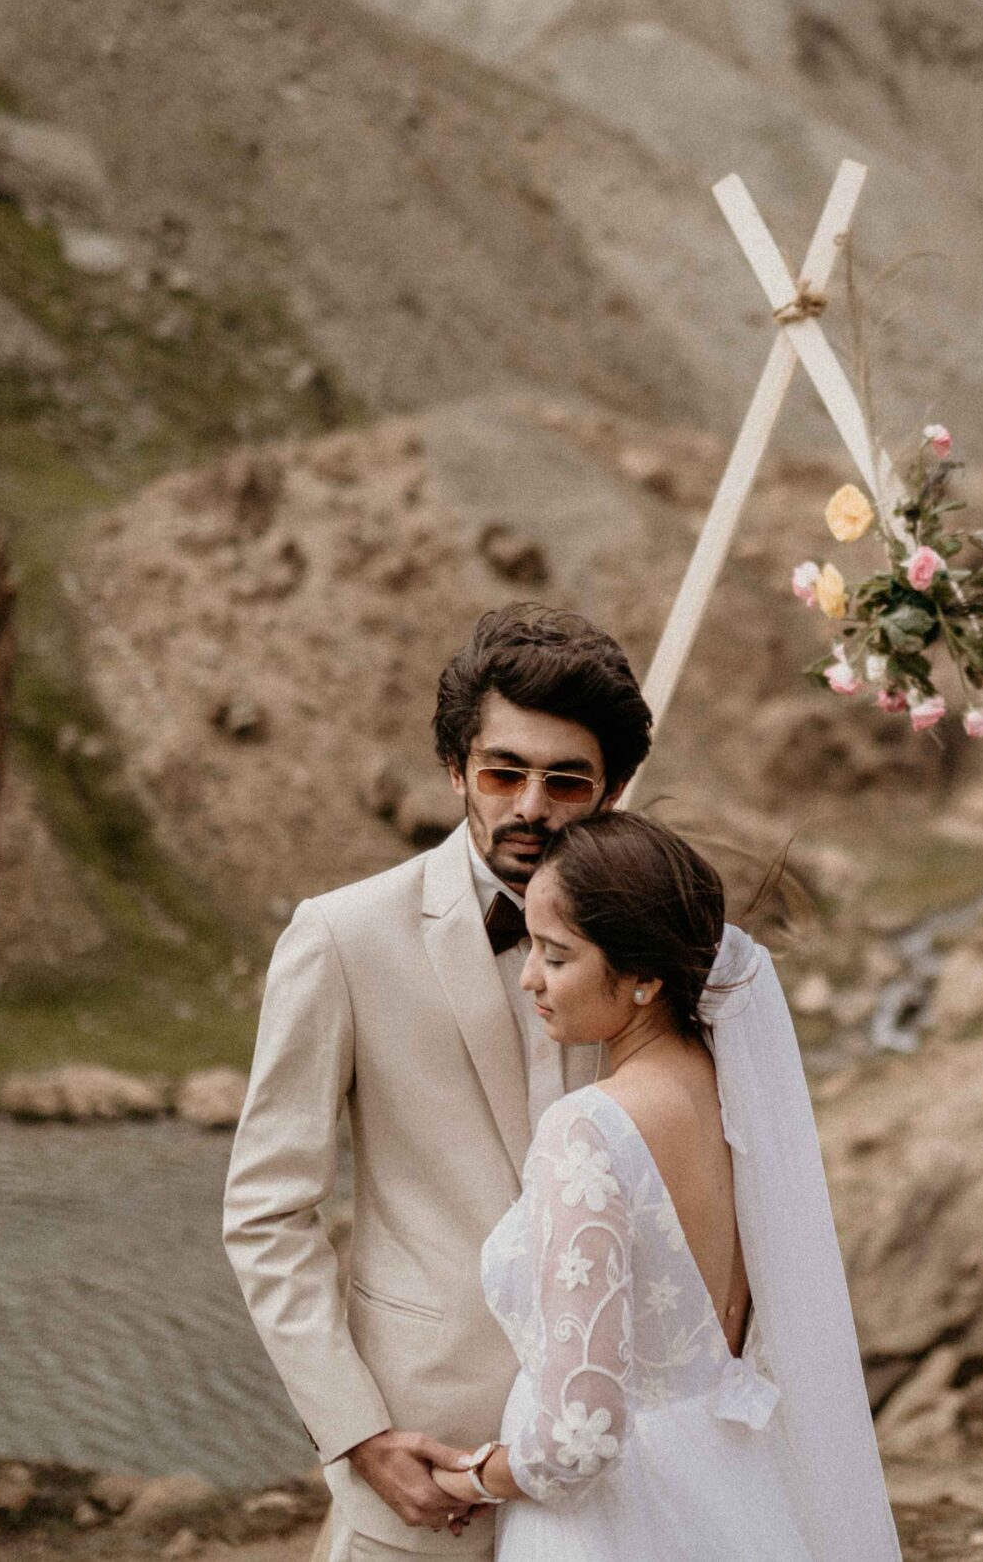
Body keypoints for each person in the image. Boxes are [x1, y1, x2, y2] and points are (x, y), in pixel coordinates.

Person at [223, 604, 652, 1558]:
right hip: (423, 1447)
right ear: (457, 768)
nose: (530, 806)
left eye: (566, 780)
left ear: (614, 788)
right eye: (503, 772)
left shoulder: (659, 940)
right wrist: (357, 1431)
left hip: (625, 1459)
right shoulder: (341, 938)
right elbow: (265, 1211)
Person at [422, 811, 901, 1562]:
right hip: (735, 1484)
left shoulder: (588, 1128)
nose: (529, 976)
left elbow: (579, 1437)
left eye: (556, 955)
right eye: (531, 947)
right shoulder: (734, 1096)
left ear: (644, 977)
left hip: (614, 1525)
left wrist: (467, 1478)